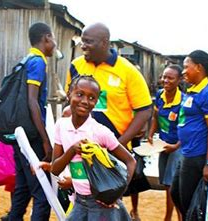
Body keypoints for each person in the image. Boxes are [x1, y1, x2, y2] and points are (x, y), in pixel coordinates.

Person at [65, 23, 152, 220]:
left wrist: (118, 144)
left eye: (88, 41)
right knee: (83, 195)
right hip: (82, 147)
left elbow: (144, 110)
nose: (83, 46)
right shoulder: (76, 65)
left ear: (104, 43)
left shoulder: (128, 71)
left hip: (112, 150)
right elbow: (69, 101)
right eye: (82, 41)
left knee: (108, 198)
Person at [51, 75, 136, 220]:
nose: (85, 101)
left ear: (96, 101)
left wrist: (116, 194)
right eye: (79, 94)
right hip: (79, 201)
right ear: (69, 93)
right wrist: (72, 150)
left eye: (91, 98)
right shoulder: (61, 126)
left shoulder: (100, 131)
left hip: (100, 203)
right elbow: (55, 169)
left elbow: (130, 161)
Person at [7, 22, 56, 221]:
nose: (54, 44)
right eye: (53, 39)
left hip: (21, 134)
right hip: (32, 135)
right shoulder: (38, 62)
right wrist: (45, 138)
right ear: (46, 38)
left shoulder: (25, 60)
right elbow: (32, 101)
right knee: (42, 192)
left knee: (23, 187)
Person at [170, 50, 208, 219]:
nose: (183, 71)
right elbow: (187, 122)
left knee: (188, 201)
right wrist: (178, 144)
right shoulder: (193, 90)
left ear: (199, 67)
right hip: (186, 151)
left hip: (198, 154)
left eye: (186, 67)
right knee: (175, 193)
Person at [148, 64, 184, 221]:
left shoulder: (184, 101)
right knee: (165, 182)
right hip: (163, 145)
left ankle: (170, 217)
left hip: (178, 146)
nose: (165, 80)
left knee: (172, 185)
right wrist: (151, 134)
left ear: (179, 80)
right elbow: (155, 118)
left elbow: (188, 129)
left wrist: (176, 146)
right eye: (164, 77)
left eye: (170, 78)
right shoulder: (160, 95)